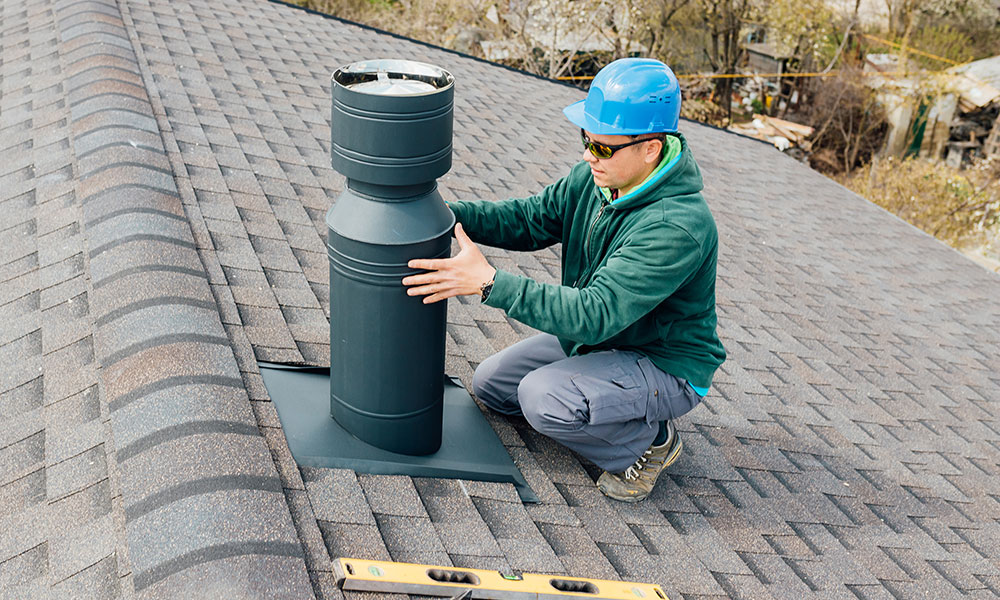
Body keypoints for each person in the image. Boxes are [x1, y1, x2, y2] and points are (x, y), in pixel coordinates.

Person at [402, 58, 726, 502]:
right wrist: (446, 216)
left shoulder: (677, 227)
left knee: (543, 399)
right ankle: (604, 399)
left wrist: (489, 283)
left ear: (650, 148)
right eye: (586, 140)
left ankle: (649, 446)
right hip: (606, 339)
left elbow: (595, 314)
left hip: (662, 363)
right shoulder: (598, 178)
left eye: (604, 147)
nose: (589, 155)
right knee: (492, 386)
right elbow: (531, 220)